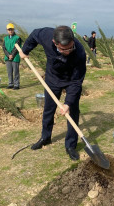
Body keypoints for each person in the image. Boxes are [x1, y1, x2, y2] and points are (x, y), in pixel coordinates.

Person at [19, 26, 86, 161]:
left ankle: (71, 145)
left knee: (72, 111)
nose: (67, 52)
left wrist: (67, 103)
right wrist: (25, 50)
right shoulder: (46, 35)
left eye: (70, 48)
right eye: (63, 49)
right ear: (54, 43)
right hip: (52, 78)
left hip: (71, 80)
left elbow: (77, 81)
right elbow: (34, 34)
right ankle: (45, 137)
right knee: (48, 109)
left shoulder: (79, 53)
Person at [2, 23, 22, 89]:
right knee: (9, 71)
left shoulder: (17, 38)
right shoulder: (5, 38)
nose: (10, 31)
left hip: (15, 57)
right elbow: (4, 48)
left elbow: (16, 47)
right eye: (9, 29)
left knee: (16, 71)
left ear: (13, 30)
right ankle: (10, 84)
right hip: (8, 57)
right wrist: (8, 55)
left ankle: (16, 85)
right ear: (7, 30)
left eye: (11, 29)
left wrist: (12, 55)